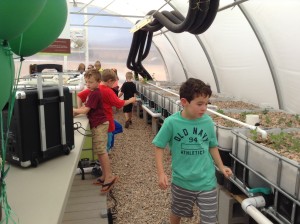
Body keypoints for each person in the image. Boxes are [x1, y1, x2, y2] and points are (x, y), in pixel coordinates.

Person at [152, 78, 232, 224]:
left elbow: (212, 146)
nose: (204, 108)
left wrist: (221, 167)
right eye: (199, 104)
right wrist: (161, 173)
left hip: (206, 181)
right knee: (177, 212)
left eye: (206, 104)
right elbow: (159, 146)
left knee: (209, 219)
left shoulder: (207, 122)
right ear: (184, 102)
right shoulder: (172, 123)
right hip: (182, 181)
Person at [73, 69, 118, 193]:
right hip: (98, 124)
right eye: (86, 82)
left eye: (90, 82)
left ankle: (109, 177)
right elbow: (86, 107)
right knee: (99, 151)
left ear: (98, 82)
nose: (88, 85)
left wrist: (73, 110)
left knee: (102, 152)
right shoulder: (92, 92)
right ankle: (104, 176)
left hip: (100, 125)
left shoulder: (94, 93)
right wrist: (77, 111)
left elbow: (85, 110)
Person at [77, 69, 136, 152]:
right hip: (107, 121)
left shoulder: (95, 88)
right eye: (113, 82)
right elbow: (119, 104)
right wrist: (131, 100)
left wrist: (80, 108)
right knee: (107, 142)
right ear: (109, 81)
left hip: (97, 121)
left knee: (116, 129)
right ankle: (107, 153)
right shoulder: (108, 91)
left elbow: (79, 95)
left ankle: (108, 150)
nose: (114, 84)